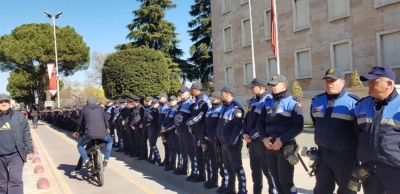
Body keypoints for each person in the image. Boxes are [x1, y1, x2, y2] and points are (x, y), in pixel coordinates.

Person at [311, 68, 359, 194]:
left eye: (333, 80)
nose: (329, 84)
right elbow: (316, 124)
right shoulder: (317, 101)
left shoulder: (354, 103)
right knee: (321, 190)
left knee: (347, 191)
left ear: (343, 82)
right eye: (327, 81)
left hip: (345, 157)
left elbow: (360, 131)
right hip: (323, 155)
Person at [353, 66, 400, 194]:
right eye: (369, 82)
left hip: (395, 171)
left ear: (389, 84)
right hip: (369, 171)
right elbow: (356, 134)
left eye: (374, 82)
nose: (370, 85)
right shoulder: (361, 106)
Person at [257, 75, 303, 194]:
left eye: (275, 85)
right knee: (276, 181)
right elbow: (260, 122)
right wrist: (264, 139)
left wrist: (281, 140)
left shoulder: (293, 103)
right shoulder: (267, 103)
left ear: (284, 85)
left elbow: (298, 126)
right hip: (270, 146)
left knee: (286, 182)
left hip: (285, 147)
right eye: (271, 85)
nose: (272, 87)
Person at [242, 78, 275, 194]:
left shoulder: (268, 100)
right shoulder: (252, 101)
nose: (251, 89)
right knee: (255, 169)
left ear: (260, 87)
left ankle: (273, 191)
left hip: (261, 140)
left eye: (253, 87)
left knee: (268, 170)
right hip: (251, 141)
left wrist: (252, 135)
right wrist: (244, 133)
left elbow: (265, 122)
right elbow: (246, 119)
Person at [0, 93, 34, 194]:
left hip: (16, 154)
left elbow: (26, 134)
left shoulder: (19, 117)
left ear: (10, 103)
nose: (4, 104)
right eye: (1, 102)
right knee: (2, 182)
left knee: (15, 180)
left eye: (6, 101)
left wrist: (30, 149)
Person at [216, 85, 247, 194]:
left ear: (227, 93)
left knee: (237, 167)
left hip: (232, 143)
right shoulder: (224, 106)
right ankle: (231, 188)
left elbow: (238, 127)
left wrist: (232, 142)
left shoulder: (236, 107)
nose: (220, 95)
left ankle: (242, 189)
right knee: (228, 167)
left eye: (222, 93)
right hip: (224, 143)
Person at [73, 97, 113, 168]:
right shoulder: (101, 109)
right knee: (110, 141)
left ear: (87, 103)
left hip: (89, 134)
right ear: (96, 102)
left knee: (80, 145)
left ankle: (87, 161)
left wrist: (77, 132)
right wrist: (107, 128)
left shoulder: (84, 110)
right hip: (102, 133)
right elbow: (105, 120)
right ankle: (106, 160)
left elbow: (80, 122)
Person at [187, 83, 210, 182]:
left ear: (196, 89)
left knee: (205, 156)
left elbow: (200, 116)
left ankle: (210, 179)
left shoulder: (203, 100)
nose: (190, 92)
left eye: (191, 90)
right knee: (198, 154)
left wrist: (188, 123)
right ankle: (201, 175)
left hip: (202, 131)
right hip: (196, 131)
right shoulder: (196, 100)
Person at [203, 91, 225, 190]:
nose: (212, 100)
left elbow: (219, 126)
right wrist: (204, 135)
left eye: (214, 99)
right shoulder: (209, 110)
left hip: (217, 140)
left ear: (219, 99)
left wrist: (212, 136)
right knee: (211, 161)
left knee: (220, 162)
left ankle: (225, 184)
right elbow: (205, 124)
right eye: (211, 99)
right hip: (209, 139)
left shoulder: (221, 109)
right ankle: (213, 180)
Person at [173, 86, 195, 178]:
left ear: (188, 93)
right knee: (183, 151)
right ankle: (184, 168)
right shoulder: (181, 103)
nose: (181, 94)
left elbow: (194, 117)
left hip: (186, 131)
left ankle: (194, 170)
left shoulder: (190, 103)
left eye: (183, 92)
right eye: (180, 92)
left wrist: (187, 125)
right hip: (180, 131)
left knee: (191, 152)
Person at [161, 96, 180, 171]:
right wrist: (163, 126)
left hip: (173, 132)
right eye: (170, 100)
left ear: (176, 101)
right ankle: (172, 164)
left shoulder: (177, 110)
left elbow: (175, 123)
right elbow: (165, 120)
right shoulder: (168, 110)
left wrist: (167, 129)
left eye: (172, 100)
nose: (170, 101)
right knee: (171, 148)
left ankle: (178, 165)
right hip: (167, 132)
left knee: (177, 149)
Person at [138, 97, 154, 161]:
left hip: (149, 126)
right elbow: (144, 117)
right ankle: (144, 155)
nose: (147, 102)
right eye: (146, 101)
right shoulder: (146, 108)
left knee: (151, 142)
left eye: (148, 101)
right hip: (145, 127)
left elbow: (150, 118)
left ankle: (151, 156)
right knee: (143, 141)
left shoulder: (152, 108)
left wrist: (144, 123)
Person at [157, 92, 170, 166]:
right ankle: (166, 159)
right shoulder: (162, 106)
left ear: (165, 98)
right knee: (165, 145)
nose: (159, 99)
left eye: (160, 97)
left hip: (165, 129)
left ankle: (168, 161)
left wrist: (163, 126)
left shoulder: (167, 105)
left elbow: (166, 119)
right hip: (162, 129)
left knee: (168, 146)